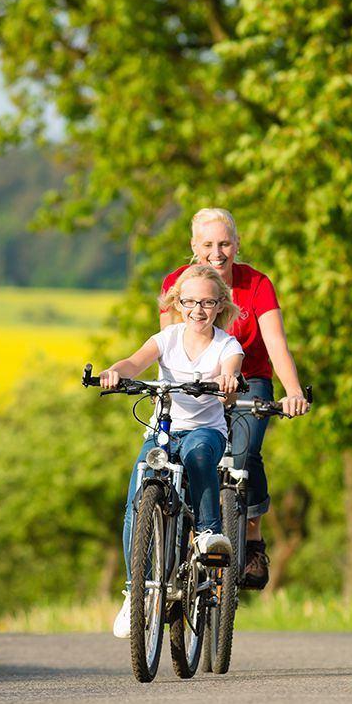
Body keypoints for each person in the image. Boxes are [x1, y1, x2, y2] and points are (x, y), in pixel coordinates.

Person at [160, 208, 309, 590]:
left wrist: (293, 391)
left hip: (249, 379)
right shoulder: (177, 283)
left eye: (225, 243)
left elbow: (275, 343)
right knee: (181, 453)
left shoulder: (257, 283)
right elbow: (169, 345)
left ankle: (252, 538)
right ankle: (187, 530)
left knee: (243, 453)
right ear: (194, 246)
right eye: (208, 244)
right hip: (194, 382)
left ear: (237, 244)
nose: (217, 252)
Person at [101, 264, 244, 638]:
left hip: (205, 431)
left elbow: (231, 374)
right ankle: (137, 594)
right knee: (139, 490)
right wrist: (115, 372)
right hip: (163, 431)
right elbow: (134, 362)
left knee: (199, 454)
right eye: (190, 301)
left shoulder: (227, 345)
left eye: (208, 302)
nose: (198, 310)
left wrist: (227, 381)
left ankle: (210, 533)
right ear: (177, 303)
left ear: (220, 306)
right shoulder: (166, 338)